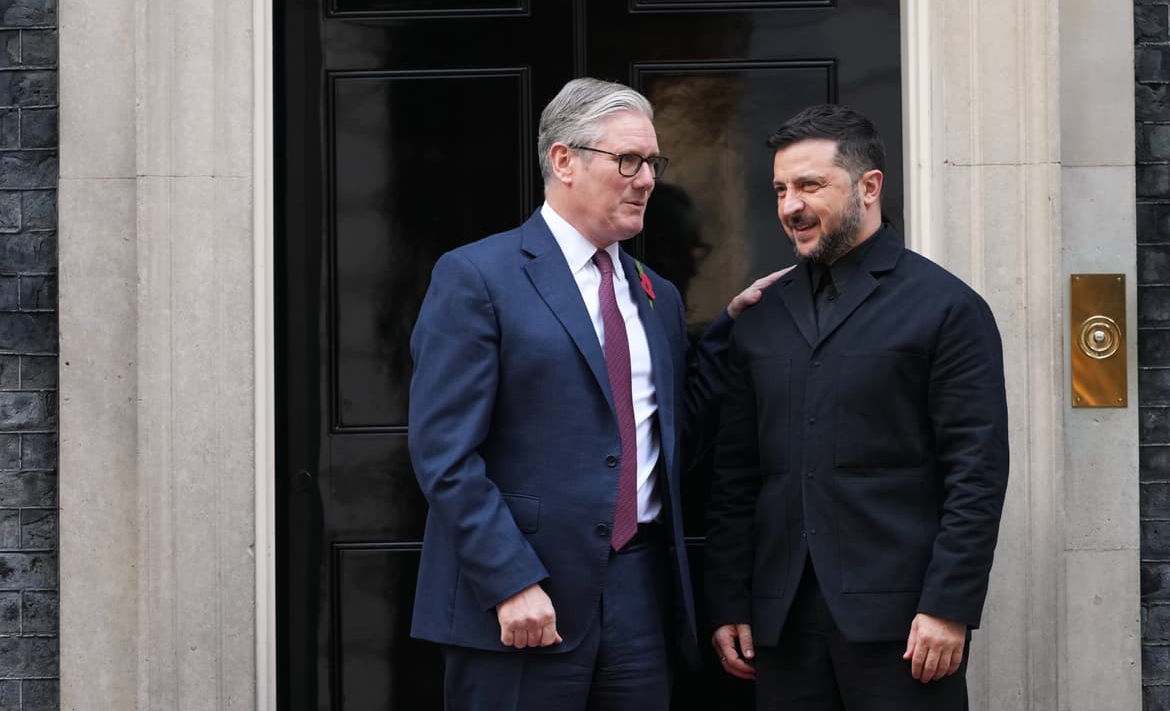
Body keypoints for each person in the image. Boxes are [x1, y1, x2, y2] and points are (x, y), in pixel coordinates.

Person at [407, 77, 787, 711]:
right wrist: (510, 582)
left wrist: (729, 332)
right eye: (628, 161)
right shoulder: (476, 276)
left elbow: (671, 437)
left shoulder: (655, 293)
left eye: (653, 164)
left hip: (639, 590)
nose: (646, 180)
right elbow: (444, 456)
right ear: (563, 160)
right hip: (521, 598)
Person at [705, 104, 1009, 710]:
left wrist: (948, 606)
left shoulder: (947, 309)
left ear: (869, 187)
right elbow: (735, 475)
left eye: (810, 185)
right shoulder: (761, 318)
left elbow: (976, 471)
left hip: (906, 628)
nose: (791, 205)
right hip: (781, 623)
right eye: (781, 189)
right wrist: (730, 600)